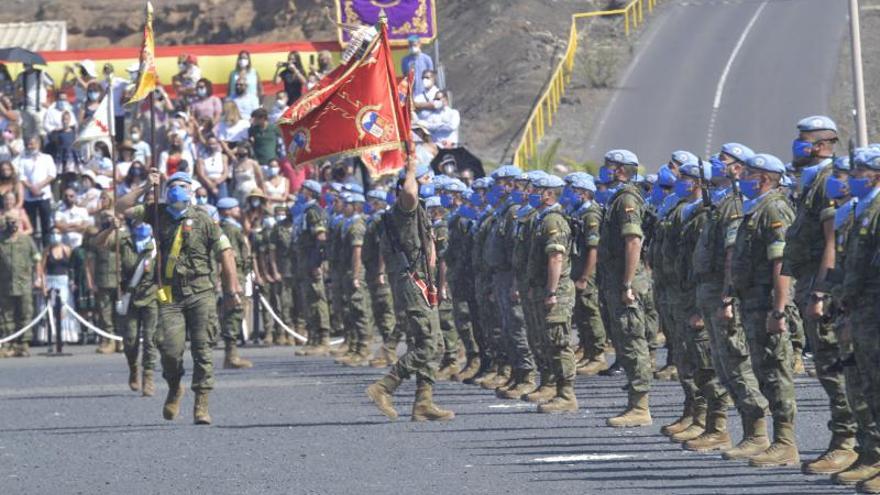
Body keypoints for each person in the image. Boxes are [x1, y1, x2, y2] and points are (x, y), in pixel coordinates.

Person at [117, 170, 242, 425]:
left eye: (183, 185)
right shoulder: (157, 213)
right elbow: (121, 207)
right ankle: (174, 386)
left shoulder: (205, 219)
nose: (177, 189)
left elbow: (226, 254)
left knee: (202, 349)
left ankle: (201, 403)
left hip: (201, 292)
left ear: (192, 191)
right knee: (169, 349)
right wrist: (145, 186)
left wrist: (232, 292)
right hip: (170, 294)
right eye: (173, 185)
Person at [781, 116, 859, 474]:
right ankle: (845, 442)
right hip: (812, 282)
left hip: (822, 286)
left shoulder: (828, 181)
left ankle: (847, 444)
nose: (798, 145)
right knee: (828, 368)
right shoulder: (811, 181)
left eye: (804, 139)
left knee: (834, 368)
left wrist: (820, 291)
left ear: (823, 144)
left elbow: (831, 239)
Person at [366, 160, 455, 422]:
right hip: (412, 282)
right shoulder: (403, 212)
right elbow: (409, 193)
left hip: (422, 283)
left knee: (430, 342)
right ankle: (384, 387)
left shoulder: (418, 214)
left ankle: (423, 402)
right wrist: (412, 169)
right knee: (430, 344)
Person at [730, 153, 799, 467]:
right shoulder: (754, 209)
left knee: (776, 371)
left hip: (767, 303)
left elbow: (780, 262)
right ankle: (770, 439)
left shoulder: (773, 208)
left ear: (763, 179)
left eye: (748, 174)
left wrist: (779, 309)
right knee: (763, 371)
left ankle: (785, 443)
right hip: (754, 302)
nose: (742, 178)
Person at [598, 149, 654, 427]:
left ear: (621, 170)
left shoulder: (627, 199)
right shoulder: (618, 198)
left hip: (627, 281)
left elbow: (633, 241)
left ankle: (640, 406)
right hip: (617, 280)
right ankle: (635, 402)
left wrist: (628, 282)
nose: (605, 170)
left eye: (609, 166)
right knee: (624, 341)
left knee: (633, 342)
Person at [836, 150, 880, 491]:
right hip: (862, 310)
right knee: (867, 387)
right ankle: (873, 456)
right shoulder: (863, 209)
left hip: (874, 310)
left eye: (861, 171)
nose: (853, 176)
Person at [524, 174, 578, 413]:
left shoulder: (552, 220)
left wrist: (552, 291)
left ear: (548, 193)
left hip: (557, 291)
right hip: (543, 289)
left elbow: (556, 257)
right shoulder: (542, 218)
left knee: (559, 342)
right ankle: (555, 387)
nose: (529, 193)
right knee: (547, 341)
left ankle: (567, 394)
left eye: (534, 189)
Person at [568, 174, 607, 376]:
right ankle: (588, 351)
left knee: (591, 312)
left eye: (572, 189)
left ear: (583, 193)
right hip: (577, 269)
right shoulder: (577, 212)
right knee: (581, 314)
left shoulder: (591, 214)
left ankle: (598, 355)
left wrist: (584, 277)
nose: (568, 193)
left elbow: (593, 248)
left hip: (586, 272)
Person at [116, 222, 159, 396]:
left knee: (150, 340)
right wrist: (112, 227)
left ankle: (148, 377)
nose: (142, 227)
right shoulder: (125, 243)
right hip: (130, 297)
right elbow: (99, 242)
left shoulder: (157, 246)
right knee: (130, 339)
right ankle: (133, 367)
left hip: (151, 297)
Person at [292, 180, 332, 355]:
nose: (300, 192)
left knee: (318, 298)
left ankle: (323, 338)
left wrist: (317, 262)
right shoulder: (306, 211)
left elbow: (321, 238)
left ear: (310, 192)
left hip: (311, 260)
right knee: (309, 299)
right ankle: (313, 337)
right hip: (304, 262)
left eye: (303, 189)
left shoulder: (314, 212)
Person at [216, 197, 254, 369]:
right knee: (235, 310)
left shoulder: (230, 227)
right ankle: (231, 355)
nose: (238, 210)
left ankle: (231, 353)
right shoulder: (230, 229)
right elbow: (232, 253)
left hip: (235, 272)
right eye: (234, 208)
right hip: (234, 273)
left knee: (234, 310)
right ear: (226, 211)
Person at [0, 212, 42, 358]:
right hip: (5, 284)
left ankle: (23, 344)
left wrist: (38, 278)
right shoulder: (1, 240)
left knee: (25, 313)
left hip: (24, 282)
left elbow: (37, 258)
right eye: (10, 221)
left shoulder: (27, 240)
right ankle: (8, 343)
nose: (13, 224)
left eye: (15, 221)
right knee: (6, 315)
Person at [87, 211, 124, 354]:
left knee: (120, 313)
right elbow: (90, 262)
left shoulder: (122, 236)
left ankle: (120, 340)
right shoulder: (97, 239)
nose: (107, 221)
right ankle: (108, 341)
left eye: (110, 218)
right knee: (105, 313)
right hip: (103, 280)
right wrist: (91, 282)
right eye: (105, 219)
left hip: (120, 280)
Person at [15, 135, 56, 247]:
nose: (29, 146)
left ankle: (47, 252)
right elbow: (21, 177)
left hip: (44, 196)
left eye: (31, 144)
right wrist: (31, 188)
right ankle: (33, 251)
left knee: (46, 227)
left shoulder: (47, 158)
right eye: (28, 144)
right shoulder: (23, 160)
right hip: (29, 197)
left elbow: (52, 174)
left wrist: (39, 186)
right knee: (31, 226)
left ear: (38, 144)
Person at [41, 229, 79, 343]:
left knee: (64, 307)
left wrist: (72, 281)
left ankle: (65, 335)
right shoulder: (47, 251)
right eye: (53, 233)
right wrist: (43, 286)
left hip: (63, 280)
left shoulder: (67, 250)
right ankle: (50, 336)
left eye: (57, 233)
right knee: (50, 308)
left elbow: (72, 267)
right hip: (50, 279)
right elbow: (42, 270)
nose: (55, 236)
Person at [14, 63, 54, 139]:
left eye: (27, 63)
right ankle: (28, 148)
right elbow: (16, 87)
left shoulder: (41, 73)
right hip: (26, 108)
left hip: (39, 108)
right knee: (27, 131)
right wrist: (17, 99)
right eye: (24, 64)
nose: (26, 65)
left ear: (32, 64)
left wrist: (50, 101)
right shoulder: (21, 76)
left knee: (41, 131)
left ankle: (42, 148)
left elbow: (52, 84)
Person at [196, 136, 229, 204]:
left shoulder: (223, 157)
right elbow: (201, 174)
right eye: (210, 144)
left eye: (214, 144)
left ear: (217, 144)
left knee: (223, 204)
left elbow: (226, 173)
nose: (212, 146)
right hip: (207, 183)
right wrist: (211, 185)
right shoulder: (201, 158)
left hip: (220, 183)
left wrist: (217, 182)